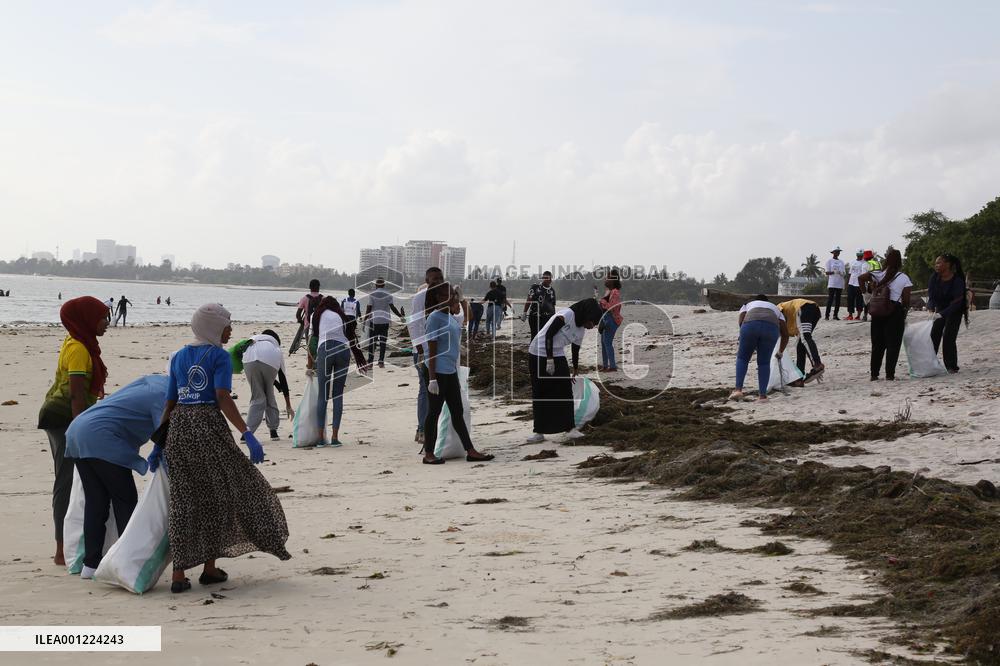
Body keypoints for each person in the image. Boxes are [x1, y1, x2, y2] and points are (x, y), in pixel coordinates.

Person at [151, 303, 291, 594]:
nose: (230, 331)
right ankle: (210, 567)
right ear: (213, 327)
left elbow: (171, 402)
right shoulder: (219, 357)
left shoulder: (177, 357)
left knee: (183, 499)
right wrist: (247, 432)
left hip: (179, 428)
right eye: (227, 325)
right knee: (220, 495)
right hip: (208, 426)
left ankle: (179, 575)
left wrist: (159, 443)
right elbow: (222, 397)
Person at [65, 375, 167, 578]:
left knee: (96, 502)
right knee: (125, 500)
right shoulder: (164, 393)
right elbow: (165, 431)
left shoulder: (152, 381)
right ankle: (125, 560)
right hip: (102, 438)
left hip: (77, 432)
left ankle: (91, 565)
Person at [37, 296, 110, 566]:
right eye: (102, 317)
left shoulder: (81, 342)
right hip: (62, 417)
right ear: (86, 319)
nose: (107, 323)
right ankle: (60, 549)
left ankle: (67, 543)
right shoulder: (79, 348)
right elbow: (76, 394)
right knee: (66, 481)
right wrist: (80, 431)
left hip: (68, 415)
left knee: (70, 478)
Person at [421, 283, 494, 464]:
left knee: (457, 411)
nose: (453, 297)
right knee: (434, 412)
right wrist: (432, 379)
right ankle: (429, 454)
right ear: (439, 298)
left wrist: (462, 300)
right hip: (436, 372)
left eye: (454, 295)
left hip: (450, 371)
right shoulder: (434, 318)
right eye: (450, 295)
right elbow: (431, 350)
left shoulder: (450, 317)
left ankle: (471, 451)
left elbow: (468, 317)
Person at [525, 299, 603, 444]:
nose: (593, 326)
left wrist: (575, 369)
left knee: (565, 390)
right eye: (593, 321)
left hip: (558, 353)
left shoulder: (581, 330)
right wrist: (549, 360)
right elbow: (548, 335)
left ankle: (570, 428)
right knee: (540, 391)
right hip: (538, 351)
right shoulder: (566, 315)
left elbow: (575, 349)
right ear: (587, 315)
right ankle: (539, 432)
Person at [313, 296, 369, 447]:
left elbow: (315, 335)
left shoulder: (318, 313)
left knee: (323, 396)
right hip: (343, 350)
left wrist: (311, 360)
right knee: (337, 394)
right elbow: (351, 336)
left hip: (325, 348)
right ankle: (335, 437)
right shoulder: (341, 315)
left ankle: (320, 439)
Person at [859, 249, 912, 381]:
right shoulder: (903, 278)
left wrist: (866, 295)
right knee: (893, 345)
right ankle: (889, 374)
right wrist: (904, 312)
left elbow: (860, 278)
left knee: (877, 344)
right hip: (894, 311)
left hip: (878, 311)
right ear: (900, 262)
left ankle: (874, 374)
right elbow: (906, 300)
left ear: (886, 260)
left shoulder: (877, 274)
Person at [408, 267, 445, 445]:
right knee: (425, 389)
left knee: (441, 392)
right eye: (433, 279)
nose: (437, 281)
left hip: (442, 352)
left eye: (440, 278)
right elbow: (413, 323)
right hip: (423, 351)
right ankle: (422, 429)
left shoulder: (445, 296)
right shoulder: (419, 298)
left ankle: (438, 429)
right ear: (427, 280)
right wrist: (419, 349)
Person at [729, 296, 790, 401]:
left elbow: (741, 319)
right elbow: (785, 334)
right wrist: (780, 351)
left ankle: (738, 390)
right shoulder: (776, 308)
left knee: (743, 358)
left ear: (755, 300)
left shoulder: (747, 304)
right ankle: (762, 396)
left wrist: (744, 334)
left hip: (750, 326)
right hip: (771, 329)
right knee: (764, 363)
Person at [241, 330, 295, 440]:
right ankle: (273, 431)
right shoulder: (275, 347)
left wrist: (274, 382)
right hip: (270, 362)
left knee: (257, 397)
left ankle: (247, 432)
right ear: (276, 340)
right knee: (269, 395)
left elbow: (258, 363)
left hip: (248, 360)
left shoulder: (253, 338)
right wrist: (288, 405)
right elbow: (282, 378)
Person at [927, 253, 968, 374]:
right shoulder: (934, 278)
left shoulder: (957, 281)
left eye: (939, 263)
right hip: (940, 309)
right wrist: (930, 309)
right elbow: (931, 296)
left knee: (949, 337)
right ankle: (930, 364)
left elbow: (956, 303)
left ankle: (951, 366)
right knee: (934, 335)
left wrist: (942, 314)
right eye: (936, 263)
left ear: (948, 264)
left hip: (954, 311)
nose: (936, 265)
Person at [778, 298, 824, 381]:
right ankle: (799, 375)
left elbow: (781, 319)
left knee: (805, 338)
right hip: (815, 310)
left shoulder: (777, 308)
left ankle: (817, 364)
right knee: (801, 342)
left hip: (803, 308)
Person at [365, 278, 404, 368]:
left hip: (374, 321)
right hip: (385, 321)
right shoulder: (388, 294)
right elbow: (392, 307)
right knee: (383, 342)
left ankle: (370, 362)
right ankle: (381, 361)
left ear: (376, 285)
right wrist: (400, 316)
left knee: (372, 342)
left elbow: (369, 307)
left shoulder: (372, 294)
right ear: (383, 285)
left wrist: (365, 318)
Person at [598, 271, 624, 372]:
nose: (605, 279)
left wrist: (603, 302)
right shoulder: (609, 291)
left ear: (613, 280)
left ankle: (612, 366)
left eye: (607, 277)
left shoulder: (615, 292)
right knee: (603, 342)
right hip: (606, 319)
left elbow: (613, 307)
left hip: (612, 319)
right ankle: (605, 365)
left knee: (607, 342)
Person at [296, 279, 324, 365]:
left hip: (308, 326)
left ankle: (310, 364)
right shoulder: (323, 298)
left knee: (310, 346)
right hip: (321, 326)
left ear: (309, 287)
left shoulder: (304, 298)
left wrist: (301, 322)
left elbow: (298, 314)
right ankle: (319, 363)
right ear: (319, 287)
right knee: (320, 345)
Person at [523, 271, 557, 341]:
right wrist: (524, 313)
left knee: (544, 337)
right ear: (543, 278)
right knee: (534, 336)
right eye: (546, 278)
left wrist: (554, 318)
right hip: (534, 317)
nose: (548, 280)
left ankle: (541, 351)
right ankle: (532, 351)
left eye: (550, 278)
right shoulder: (535, 287)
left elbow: (552, 305)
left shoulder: (552, 291)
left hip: (547, 318)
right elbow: (529, 300)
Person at [825, 248, 846, 320]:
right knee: (830, 299)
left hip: (839, 283)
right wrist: (834, 272)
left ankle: (835, 315)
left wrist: (842, 273)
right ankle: (827, 315)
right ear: (833, 252)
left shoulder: (841, 262)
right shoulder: (829, 261)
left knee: (838, 300)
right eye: (836, 252)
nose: (838, 253)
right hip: (832, 283)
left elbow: (844, 272)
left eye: (839, 252)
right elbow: (827, 272)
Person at [846, 249, 867, 321]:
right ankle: (850, 315)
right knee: (850, 299)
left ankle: (858, 315)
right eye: (859, 255)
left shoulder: (865, 263)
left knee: (859, 300)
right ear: (856, 255)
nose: (860, 256)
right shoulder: (852, 262)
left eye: (861, 255)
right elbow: (850, 273)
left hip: (859, 284)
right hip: (851, 283)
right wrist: (847, 283)